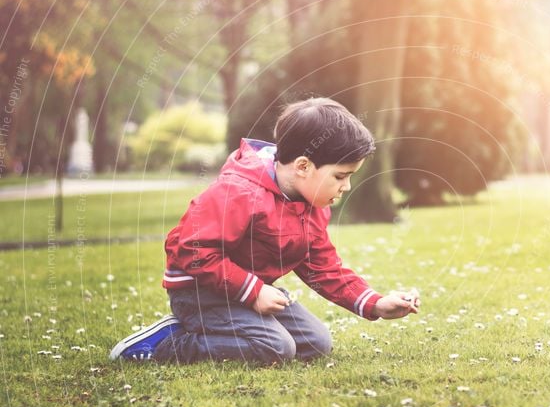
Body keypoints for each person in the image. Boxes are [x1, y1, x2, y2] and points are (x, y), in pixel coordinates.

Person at [109, 97, 420, 364]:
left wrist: (375, 303)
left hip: (246, 292)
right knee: (277, 347)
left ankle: (236, 325)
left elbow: (323, 267)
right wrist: (254, 291)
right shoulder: (239, 192)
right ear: (302, 166)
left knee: (316, 344)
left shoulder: (312, 206)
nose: (347, 186)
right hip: (200, 293)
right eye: (340, 176)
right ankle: (170, 342)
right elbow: (190, 249)